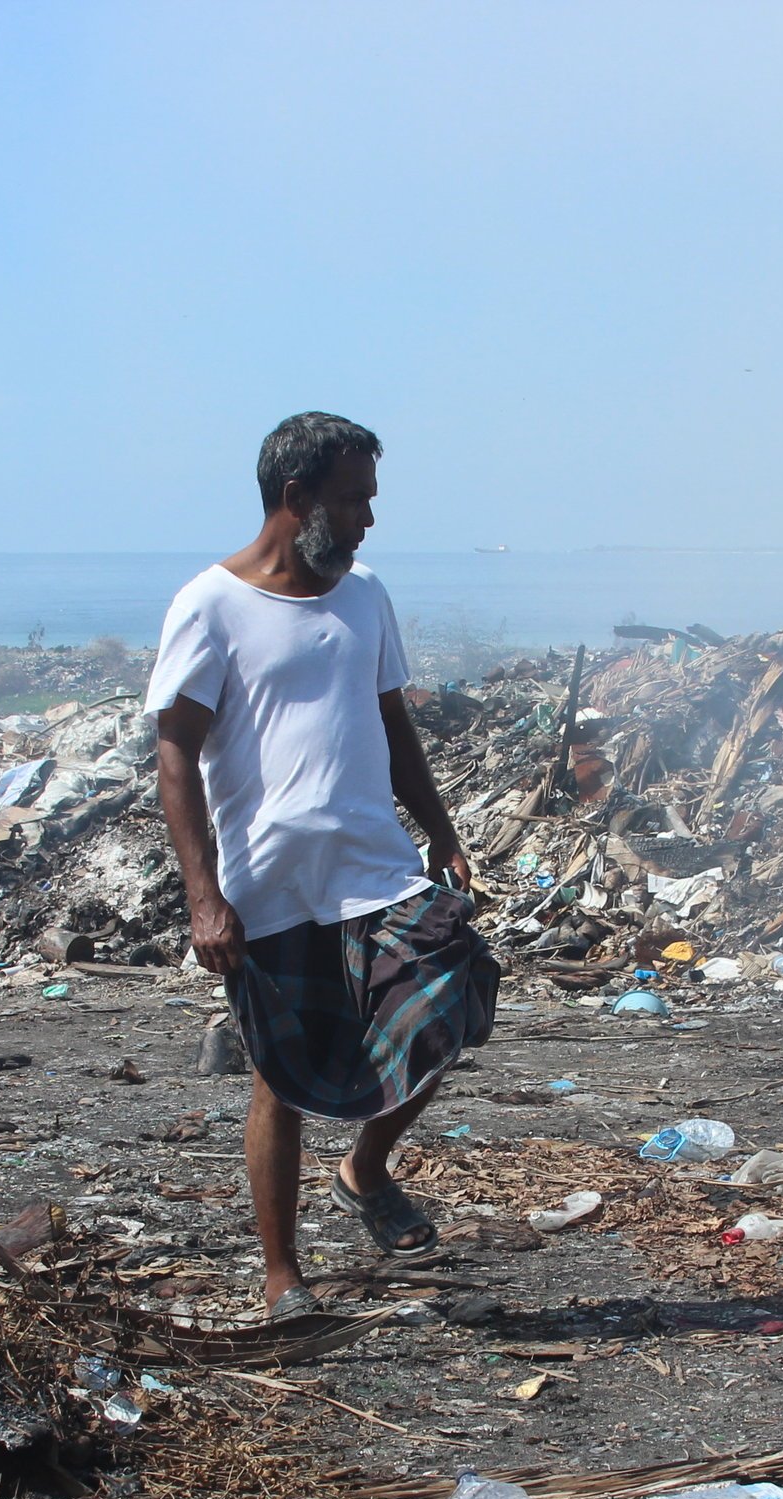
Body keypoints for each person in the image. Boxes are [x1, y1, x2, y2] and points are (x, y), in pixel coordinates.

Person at [147, 412, 497, 1321]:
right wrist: (203, 896)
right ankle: (282, 1278)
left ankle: (365, 1168)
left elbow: (392, 722)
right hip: (270, 885)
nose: (367, 522)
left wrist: (441, 829)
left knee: (454, 997)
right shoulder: (210, 606)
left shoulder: (365, 596)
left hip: (375, 869)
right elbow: (176, 754)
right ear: (295, 500)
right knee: (280, 1077)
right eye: (353, 502)